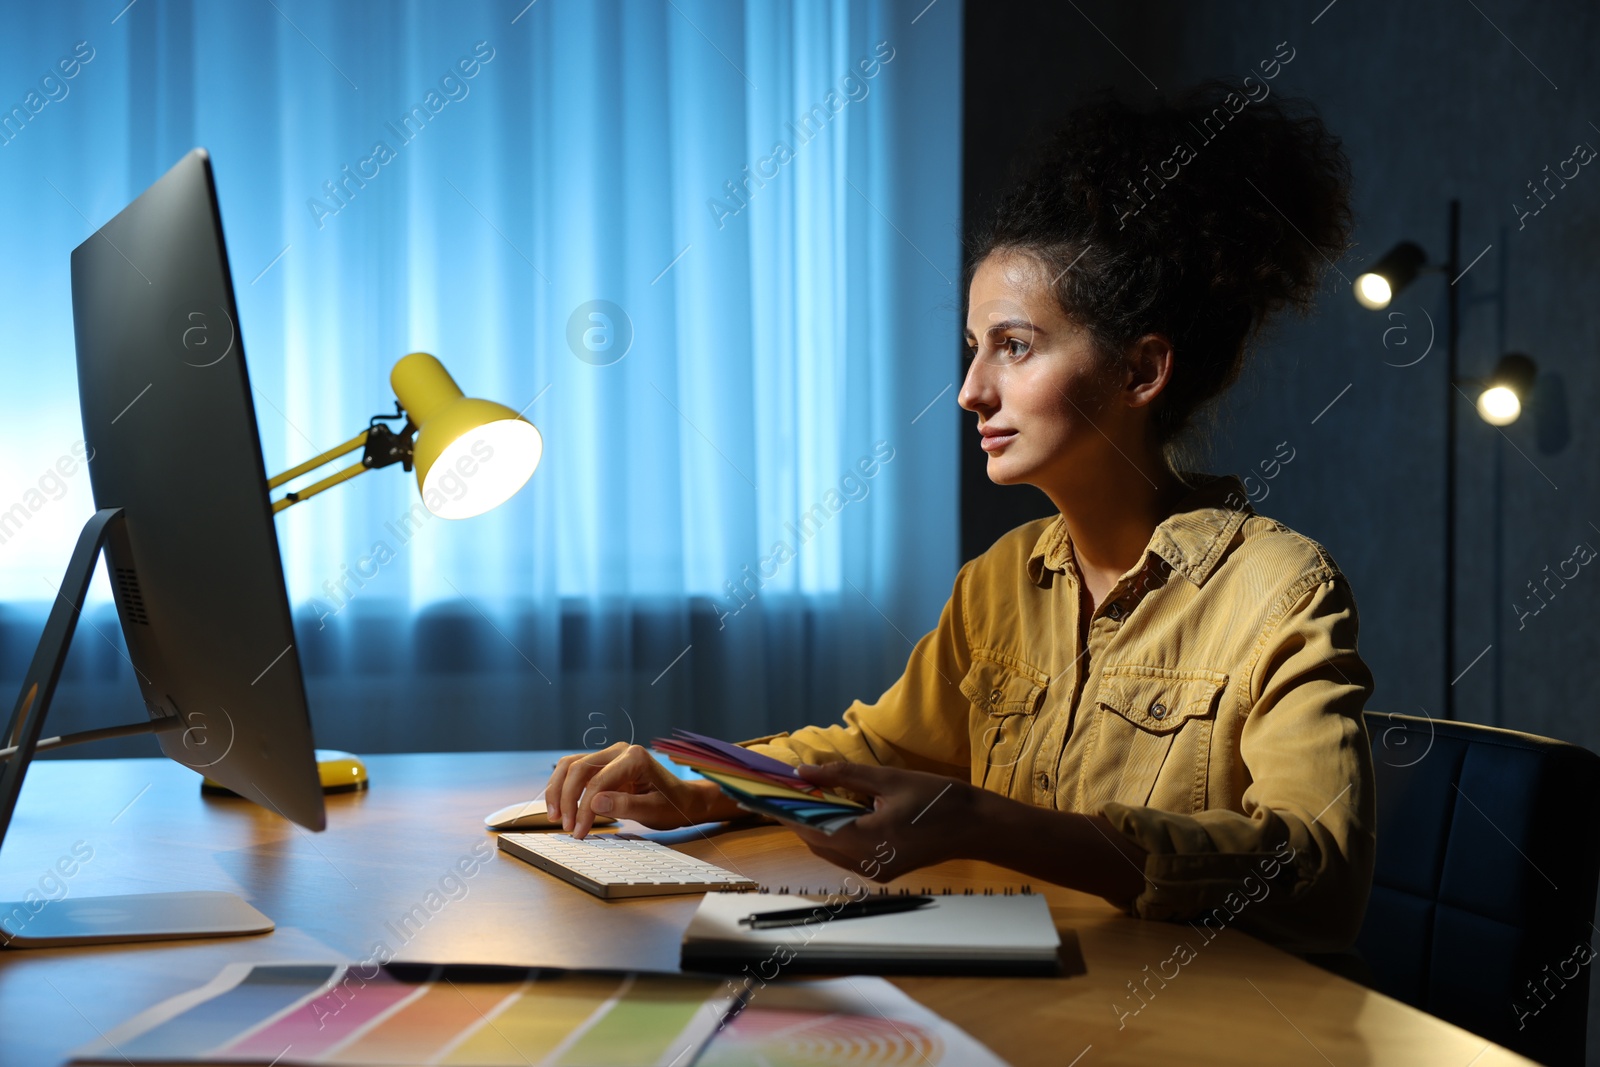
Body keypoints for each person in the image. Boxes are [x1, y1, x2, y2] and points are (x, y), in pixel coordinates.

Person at [545, 84, 1375, 954]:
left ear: (1141, 371)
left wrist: (987, 821)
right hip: (1012, 999)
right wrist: (698, 779)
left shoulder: (1281, 591)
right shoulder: (1001, 582)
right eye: (974, 348)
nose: (972, 390)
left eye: (1014, 346)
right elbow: (866, 744)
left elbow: (1318, 874)